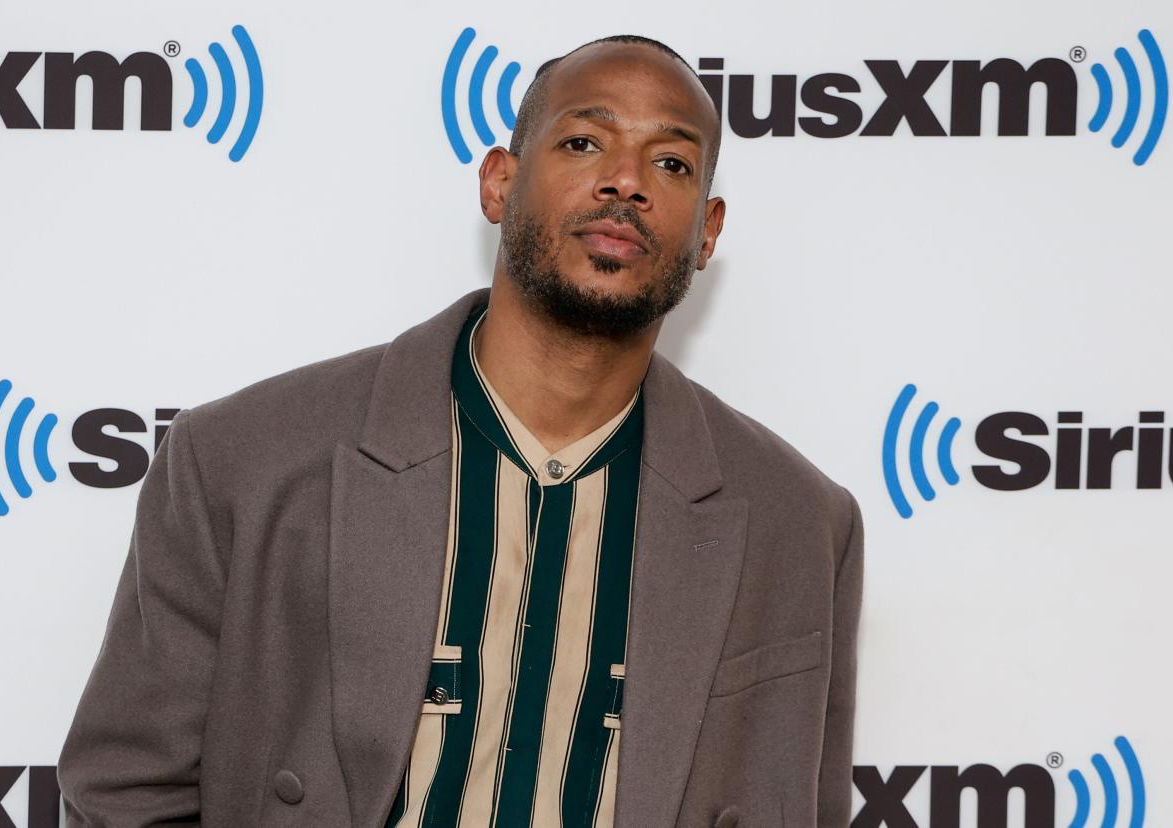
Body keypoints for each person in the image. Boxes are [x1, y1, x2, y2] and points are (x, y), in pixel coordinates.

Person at [57, 33, 863, 828]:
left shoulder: (800, 522)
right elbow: (123, 790)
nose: (627, 181)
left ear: (708, 230)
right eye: (584, 142)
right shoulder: (243, 461)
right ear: (499, 183)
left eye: (672, 163)